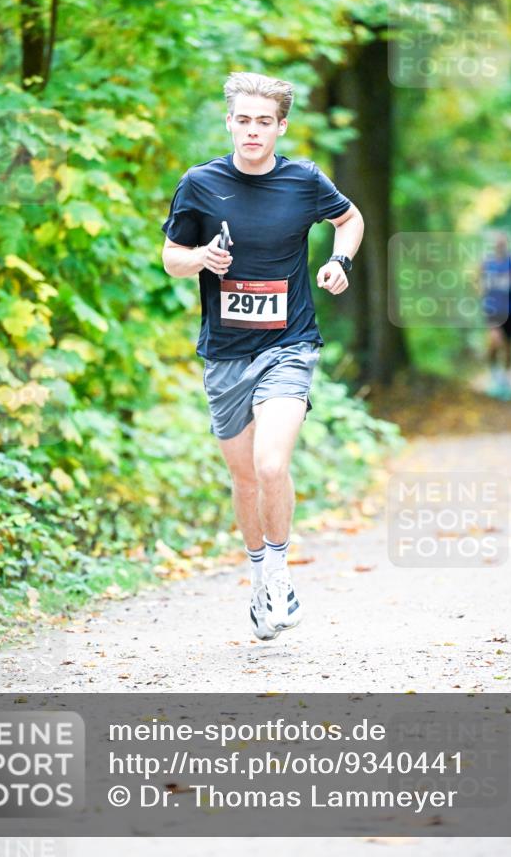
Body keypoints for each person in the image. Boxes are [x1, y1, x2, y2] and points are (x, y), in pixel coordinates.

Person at [160, 71, 364, 640]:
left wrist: (339, 261)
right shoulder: (200, 184)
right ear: (229, 122)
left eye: (264, 122)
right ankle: (259, 576)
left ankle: (278, 572)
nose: (253, 130)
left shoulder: (304, 181)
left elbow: (349, 219)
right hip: (225, 352)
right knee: (246, 477)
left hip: (289, 344)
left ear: (281, 127)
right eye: (244, 120)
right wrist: (202, 257)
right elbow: (171, 257)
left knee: (272, 464)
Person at [480, 231, 511, 400]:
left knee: (509, 346)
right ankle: (494, 376)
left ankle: (506, 381)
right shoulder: (486, 261)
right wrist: (483, 293)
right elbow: (476, 280)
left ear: (506, 244)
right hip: (492, 309)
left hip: (510, 309)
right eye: (497, 242)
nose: (499, 245)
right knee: (494, 342)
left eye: (502, 242)